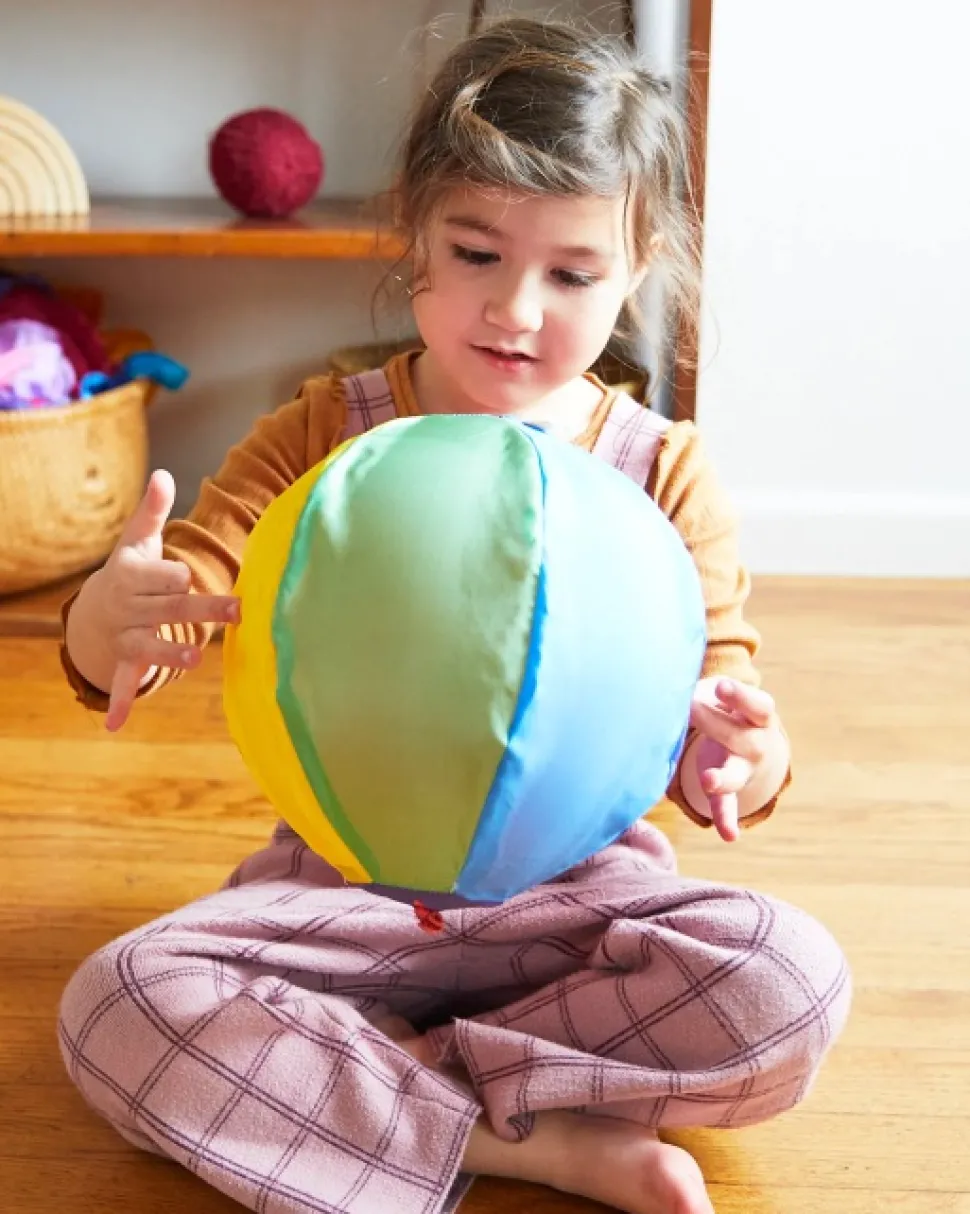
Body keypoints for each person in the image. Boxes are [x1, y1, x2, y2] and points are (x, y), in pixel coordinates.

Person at [56, 17, 850, 1214]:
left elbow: (723, 719)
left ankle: (374, 1081)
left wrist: (744, 750)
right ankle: (523, 1135)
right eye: (475, 252)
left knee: (790, 983)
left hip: (578, 905)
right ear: (414, 235)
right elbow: (167, 622)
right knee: (115, 1000)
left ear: (637, 270)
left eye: (572, 274)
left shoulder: (663, 471)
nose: (516, 308)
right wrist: (107, 618)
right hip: (338, 900)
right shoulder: (318, 437)